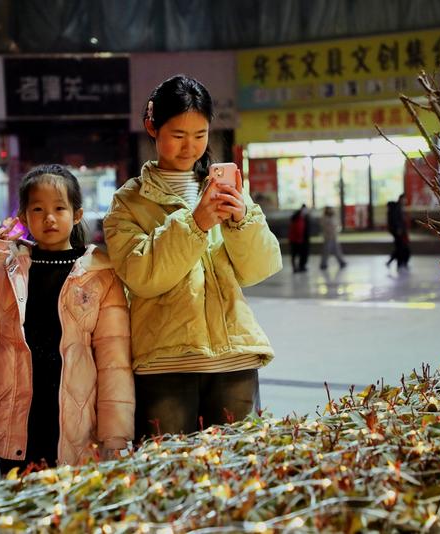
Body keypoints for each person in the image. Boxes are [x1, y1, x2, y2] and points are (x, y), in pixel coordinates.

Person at [103, 74, 282, 444]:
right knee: (169, 470)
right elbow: (143, 276)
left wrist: (241, 221)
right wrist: (195, 223)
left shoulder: (227, 190)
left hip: (235, 358)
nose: (190, 147)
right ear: (152, 127)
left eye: (200, 135)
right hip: (165, 363)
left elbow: (260, 268)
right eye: (178, 135)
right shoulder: (128, 203)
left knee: (238, 467)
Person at [0, 164, 134, 476]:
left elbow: (114, 359)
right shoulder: (9, 269)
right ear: (23, 217)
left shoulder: (100, 274)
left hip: (75, 412)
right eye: (38, 209)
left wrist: (115, 432)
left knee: (68, 499)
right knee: (18, 496)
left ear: (77, 214)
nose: (49, 218)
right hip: (17, 411)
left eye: (59, 208)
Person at [386, 193, 410, 269]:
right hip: (398, 232)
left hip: (399, 231)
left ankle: (397, 262)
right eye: (405, 199)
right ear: (401, 199)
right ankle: (400, 263)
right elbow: (395, 219)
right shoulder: (397, 207)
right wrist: (399, 229)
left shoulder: (399, 207)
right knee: (401, 248)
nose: (406, 200)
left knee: (400, 248)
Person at [319, 206, 346, 270]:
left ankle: (341, 262)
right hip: (328, 237)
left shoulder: (333, 216)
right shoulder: (324, 218)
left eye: (331, 209)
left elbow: (336, 225)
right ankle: (323, 264)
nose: (330, 210)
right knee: (326, 251)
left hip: (334, 236)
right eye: (329, 209)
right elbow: (324, 226)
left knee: (337, 250)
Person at [288, 204, 310, 273]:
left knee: (296, 254)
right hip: (298, 240)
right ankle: (297, 267)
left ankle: (299, 267)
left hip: (298, 239)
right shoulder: (298, 218)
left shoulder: (302, 218)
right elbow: (298, 230)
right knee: (296, 254)